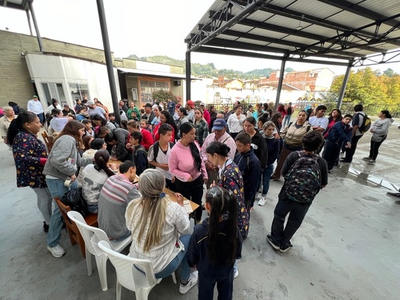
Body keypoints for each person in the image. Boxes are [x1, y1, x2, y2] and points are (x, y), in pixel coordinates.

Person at [125, 169, 199, 295]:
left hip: (136, 262)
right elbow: (185, 229)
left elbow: (130, 227)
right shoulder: (172, 208)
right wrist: (181, 207)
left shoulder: (133, 205)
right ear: (162, 186)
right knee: (190, 238)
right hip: (161, 268)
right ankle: (185, 282)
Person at [267, 131, 328, 253]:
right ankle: (285, 243)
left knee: (279, 216)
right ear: (319, 146)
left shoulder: (294, 156)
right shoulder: (321, 162)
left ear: (303, 143)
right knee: (295, 221)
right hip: (305, 200)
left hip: (287, 194)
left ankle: (275, 240)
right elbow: (323, 184)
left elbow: (284, 173)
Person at [43, 120, 93, 257]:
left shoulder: (71, 141)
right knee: (61, 210)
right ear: (75, 129)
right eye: (82, 130)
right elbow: (57, 161)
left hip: (66, 178)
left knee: (76, 199)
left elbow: (78, 162)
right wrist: (71, 172)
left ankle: (76, 226)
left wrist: (96, 159)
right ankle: (52, 243)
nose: (84, 132)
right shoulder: (67, 140)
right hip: (57, 179)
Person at [188, 186, 242, 300]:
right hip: (226, 268)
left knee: (204, 295)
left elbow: (192, 254)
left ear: (207, 206)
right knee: (226, 294)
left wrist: (192, 262)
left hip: (206, 270)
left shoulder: (199, 231)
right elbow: (238, 250)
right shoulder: (233, 228)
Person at [7, 112, 53, 232]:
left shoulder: (27, 135)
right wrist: (45, 160)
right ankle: (50, 224)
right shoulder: (23, 137)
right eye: (37, 122)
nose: (40, 124)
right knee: (46, 198)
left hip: (35, 172)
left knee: (42, 197)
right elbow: (23, 158)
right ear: (27, 124)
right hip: (34, 174)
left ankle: (47, 219)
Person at [205, 141, 249, 240]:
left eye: (209, 156)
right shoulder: (230, 165)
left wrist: (216, 191)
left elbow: (234, 200)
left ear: (215, 155)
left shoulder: (228, 173)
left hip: (234, 220)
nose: (208, 160)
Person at [169, 122, 208, 224]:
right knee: (185, 205)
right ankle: (184, 223)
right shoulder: (175, 151)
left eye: (194, 134)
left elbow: (200, 160)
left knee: (197, 203)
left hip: (197, 180)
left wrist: (204, 174)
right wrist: (185, 175)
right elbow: (172, 169)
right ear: (183, 135)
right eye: (192, 134)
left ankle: (198, 222)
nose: (194, 136)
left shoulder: (194, 144)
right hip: (183, 184)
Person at [98, 160, 140, 240]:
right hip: (117, 232)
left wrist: (137, 186)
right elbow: (142, 207)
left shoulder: (111, 179)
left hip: (102, 228)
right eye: (135, 173)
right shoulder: (129, 188)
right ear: (131, 170)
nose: (135, 176)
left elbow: (125, 189)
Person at [271, 110, 311, 180]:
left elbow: (308, 139)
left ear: (306, 117)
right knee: (281, 162)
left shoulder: (308, 127)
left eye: (303, 115)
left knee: (295, 164)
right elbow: (283, 133)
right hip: (287, 146)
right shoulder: (291, 124)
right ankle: (276, 175)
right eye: (300, 115)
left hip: (298, 148)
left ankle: (292, 178)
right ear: (297, 116)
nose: (301, 117)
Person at [201, 119, 237, 188]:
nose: (216, 132)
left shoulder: (230, 141)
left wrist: (216, 166)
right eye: (215, 130)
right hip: (209, 169)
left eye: (219, 130)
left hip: (220, 171)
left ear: (225, 128)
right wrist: (206, 161)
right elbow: (203, 151)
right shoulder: (210, 137)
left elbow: (230, 158)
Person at [234, 132, 261, 211]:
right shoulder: (238, 154)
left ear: (248, 145)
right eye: (236, 145)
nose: (237, 148)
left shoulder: (254, 162)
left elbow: (254, 184)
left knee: (242, 218)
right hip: (234, 191)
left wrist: (250, 201)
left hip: (245, 196)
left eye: (240, 146)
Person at [258, 121, 280, 206]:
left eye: (272, 130)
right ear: (264, 129)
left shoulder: (275, 141)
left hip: (268, 165)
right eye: (269, 129)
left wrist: (266, 164)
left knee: (266, 180)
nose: (271, 131)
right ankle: (257, 192)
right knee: (257, 179)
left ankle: (264, 196)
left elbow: (275, 154)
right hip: (259, 163)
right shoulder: (260, 139)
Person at [148, 123, 176, 190]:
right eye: (169, 135)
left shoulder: (173, 146)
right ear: (161, 135)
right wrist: (160, 165)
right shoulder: (154, 148)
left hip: (172, 176)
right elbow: (150, 160)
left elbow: (177, 161)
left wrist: (175, 174)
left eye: (171, 135)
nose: (171, 137)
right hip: (159, 175)